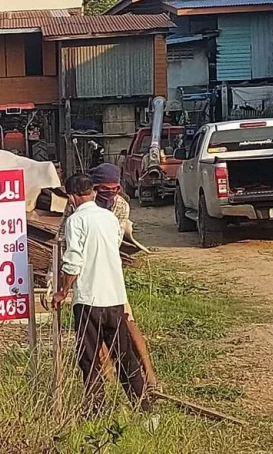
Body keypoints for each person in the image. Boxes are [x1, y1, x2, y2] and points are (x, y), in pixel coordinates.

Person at [52, 174, 151, 415]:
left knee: (89, 358)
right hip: (115, 297)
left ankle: (97, 410)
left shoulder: (75, 221)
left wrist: (62, 291)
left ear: (72, 197)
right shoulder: (110, 218)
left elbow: (73, 261)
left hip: (89, 300)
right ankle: (145, 409)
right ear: (93, 192)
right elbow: (115, 246)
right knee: (124, 356)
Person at [88, 163, 158, 389]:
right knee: (96, 333)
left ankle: (149, 375)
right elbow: (64, 237)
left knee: (128, 322)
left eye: (114, 189)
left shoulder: (120, 206)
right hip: (88, 277)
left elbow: (113, 241)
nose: (109, 194)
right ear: (93, 188)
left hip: (110, 273)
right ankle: (108, 380)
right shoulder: (82, 205)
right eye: (103, 189)